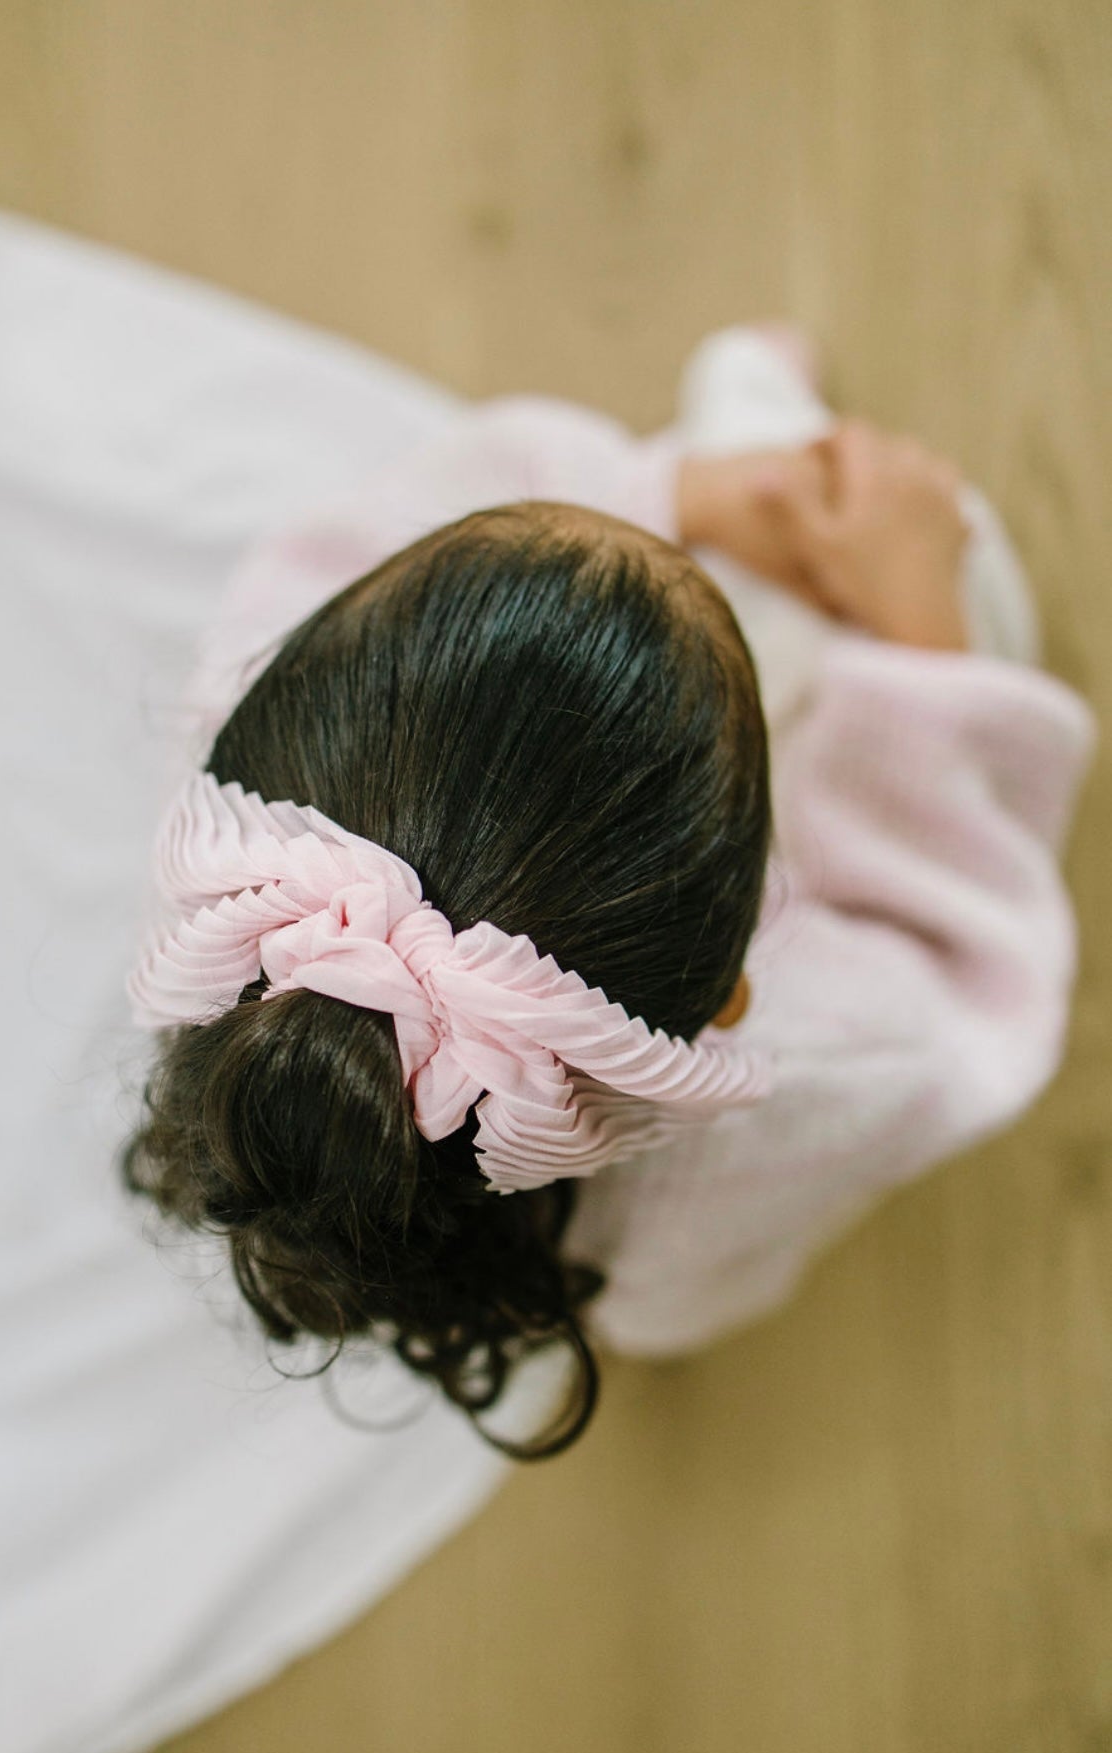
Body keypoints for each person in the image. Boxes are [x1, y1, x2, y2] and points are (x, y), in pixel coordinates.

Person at [119, 323, 1097, 1459]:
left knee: (711, 486)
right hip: (661, 1253)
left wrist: (685, 492)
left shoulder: (232, 875)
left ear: (271, 691)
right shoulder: (809, 1062)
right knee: (943, 584)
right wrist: (919, 625)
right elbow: (961, 984)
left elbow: (384, 538)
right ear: (734, 998)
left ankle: (749, 463)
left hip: (374, 1163)